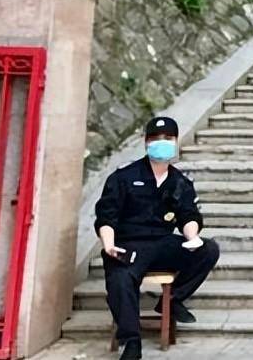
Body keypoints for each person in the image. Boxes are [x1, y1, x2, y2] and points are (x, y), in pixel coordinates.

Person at [94, 116, 219, 360]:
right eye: (156, 139)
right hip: (129, 244)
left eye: (168, 139)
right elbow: (106, 217)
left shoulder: (180, 182)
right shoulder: (123, 177)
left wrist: (192, 237)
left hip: (162, 244)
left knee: (208, 250)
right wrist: (108, 244)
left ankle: (171, 300)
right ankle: (131, 341)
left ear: (175, 142)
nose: (162, 143)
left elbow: (189, 215)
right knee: (120, 279)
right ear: (146, 142)